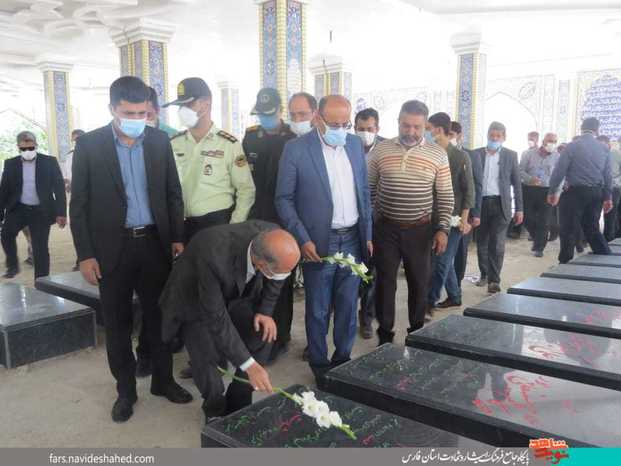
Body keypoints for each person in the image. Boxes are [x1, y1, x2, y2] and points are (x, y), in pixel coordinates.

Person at [70, 76, 192, 423]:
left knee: (159, 318)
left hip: (154, 243)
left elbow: (172, 192)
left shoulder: (158, 141)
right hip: (112, 248)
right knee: (118, 323)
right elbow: (79, 205)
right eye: (129, 113)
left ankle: (163, 381)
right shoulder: (90, 145)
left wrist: (177, 237)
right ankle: (125, 391)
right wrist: (85, 254)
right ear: (112, 109)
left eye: (143, 113)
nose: (137, 119)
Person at [159, 222, 300, 423]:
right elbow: (217, 318)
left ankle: (238, 401)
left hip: (234, 295)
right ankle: (214, 410)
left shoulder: (275, 238)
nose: (284, 277)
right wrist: (249, 365)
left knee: (264, 334)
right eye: (281, 272)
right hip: (194, 301)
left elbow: (279, 277)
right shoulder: (213, 253)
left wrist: (265, 312)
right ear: (261, 264)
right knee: (207, 360)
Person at [276, 95, 372, 381]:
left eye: (345, 124)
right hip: (318, 242)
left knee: (347, 306)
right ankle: (319, 365)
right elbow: (283, 199)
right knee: (318, 310)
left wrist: (367, 234)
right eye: (334, 124)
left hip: (352, 239)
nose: (340, 130)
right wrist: (302, 238)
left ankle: (342, 360)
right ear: (317, 118)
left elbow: (363, 192)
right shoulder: (296, 149)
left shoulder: (354, 144)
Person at [368, 100, 453, 344]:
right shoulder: (381, 150)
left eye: (417, 127)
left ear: (426, 126)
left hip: (420, 231)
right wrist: (371, 225)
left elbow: (445, 195)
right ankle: (385, 336)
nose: (411, 131)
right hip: (386, 229)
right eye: (406, 125)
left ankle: (416, 333)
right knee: (385, 284)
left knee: (419, 283)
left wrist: (443, 229)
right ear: (398, 122)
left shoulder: (438, 154)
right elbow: (369, 189)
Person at [164, 77, 255, 243]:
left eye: (188, 105)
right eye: (180, 106)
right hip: (181, 227)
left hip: (217, 224)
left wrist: (233, 228)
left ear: (206, 103)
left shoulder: (229, 144)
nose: (183, 111)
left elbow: (246, 190)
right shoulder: (173, 143)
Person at [242, 88, 297, 364]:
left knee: (281, 282)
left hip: (283, 219)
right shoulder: (251, 136)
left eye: (269, 113)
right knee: (255, 280)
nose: (264, 118)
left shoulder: (293, 138)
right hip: (255, 217)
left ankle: (280, 337)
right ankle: (256, 336)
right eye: (261, 114)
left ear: (280, 111)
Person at [0, 131, 66, 279]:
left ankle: (42, 280)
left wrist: (61, 213)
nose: (27, 151)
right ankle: (12, 266)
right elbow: (4, 189)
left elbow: (59, 188)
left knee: (40, 247)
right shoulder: (10, 164)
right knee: (6, 234)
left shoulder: (49, 162)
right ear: (18, 147)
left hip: (40, 211)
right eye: (23, 149)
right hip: (18, 208)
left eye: (31, 148)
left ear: (36, 145)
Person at [426, 113, 474, 311]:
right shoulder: (428, 153)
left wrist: (464, 220)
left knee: (442, 260)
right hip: (432, 217)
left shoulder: (460, 157)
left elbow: (468, 190)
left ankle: (429, 302)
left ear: (438, 130)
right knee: (443, 261)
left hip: (453, 219)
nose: (426, 133)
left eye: (427, 129)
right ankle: (455, 296)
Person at [548, 117, 613, 263]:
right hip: (596, 193)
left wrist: (552, 191)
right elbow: (608, 175)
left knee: (568, 228)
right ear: (597, 130)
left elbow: (559, 171)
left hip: (574, 193)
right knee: (592, 227)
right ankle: (605, 257)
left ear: (581, 129)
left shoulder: (572, 146)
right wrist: (608, 197)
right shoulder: (604, 148)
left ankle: (565, 262)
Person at [474, 121, 523, 293]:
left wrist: (519, 209)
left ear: (504, 138)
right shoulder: (476, 154)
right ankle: (484, 274)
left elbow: (517, 184)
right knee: (482, 242)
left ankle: (494, 281)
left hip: (501, 205)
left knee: (497, 243)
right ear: (487, 135)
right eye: (492, 135)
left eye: (498, 136)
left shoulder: (510, 155)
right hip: (480, 204)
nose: (494, 138)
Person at [354, 107, 385, 339]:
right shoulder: (346, 147)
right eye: (361, 129)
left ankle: (366, 317)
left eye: (370, 129)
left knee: (371, 273)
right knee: (348, 270)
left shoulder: (386, 150)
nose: (365, 133)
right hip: (349, 221)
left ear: (377, 128)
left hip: (377, 222)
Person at [449, 121, 482, 294]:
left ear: (460, 136)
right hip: (441, 212)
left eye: (451, 135)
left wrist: (475, 214)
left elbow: (476, 186)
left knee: (460, 251)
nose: (448, 138)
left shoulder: (471, 155)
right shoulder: (436, 152)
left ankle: (458, 285)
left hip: (463, 212)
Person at [519, 132, 561, 257]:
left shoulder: (557, 157)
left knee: (544, 220)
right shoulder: (528, 154)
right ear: (543, 141)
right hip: (529, 189)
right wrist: (529, 179)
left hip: (547, 191)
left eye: (554, 141)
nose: (552, 144)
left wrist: (557, 193)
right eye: (550, 141)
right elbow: (519, 170)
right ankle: (537, 236)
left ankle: (539, 247)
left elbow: (560, 176)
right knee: (527, 218)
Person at [599, 135, 621, 241]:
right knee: (608, 216)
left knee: (611, 216)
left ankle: (609, 239)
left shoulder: (614, 154)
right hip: (602, 188)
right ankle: (608, 239)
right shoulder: (614, 153)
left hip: (612, 188)